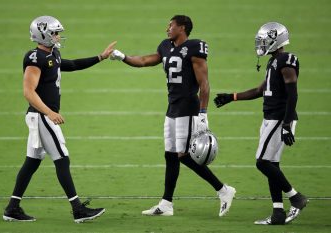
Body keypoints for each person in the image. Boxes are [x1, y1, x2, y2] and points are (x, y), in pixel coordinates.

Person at [110, 15, 236, 217]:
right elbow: (144, 61)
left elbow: (204, 84)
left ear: (182, 27)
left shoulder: (194, 48)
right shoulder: (166, 46)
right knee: (170, 154)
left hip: (188, 106)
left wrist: (203, 114)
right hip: (173, 107)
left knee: (183, 155)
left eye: (171, 25)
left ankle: (223, 190)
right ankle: (166, 204)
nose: (167, 28)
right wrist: (123, 57)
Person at [3, 15, 116, 223]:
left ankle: (12, 207)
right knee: (62, 159)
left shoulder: (52, 53)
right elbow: (28, 92)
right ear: (43, 34)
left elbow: (71, 64)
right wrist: (49, 112)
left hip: (40, 116)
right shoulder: (35, 58)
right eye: (55, 33)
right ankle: (78, 210)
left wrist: (99, 57)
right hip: (41, 115)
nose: (58, 36)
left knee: (31, 162)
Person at [214, 22, 308, 225]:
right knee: (272, 164)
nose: (261, 43)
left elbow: (293, 94)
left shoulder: (286, 60)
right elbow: (260, 91)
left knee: (262, 162)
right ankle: (277, 213)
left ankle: (295, 197)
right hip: (270, 118)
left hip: (279, 118)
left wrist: (286, 122)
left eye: (265, 40)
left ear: (276, 40)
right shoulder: (273, 62)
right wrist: (232, 97)